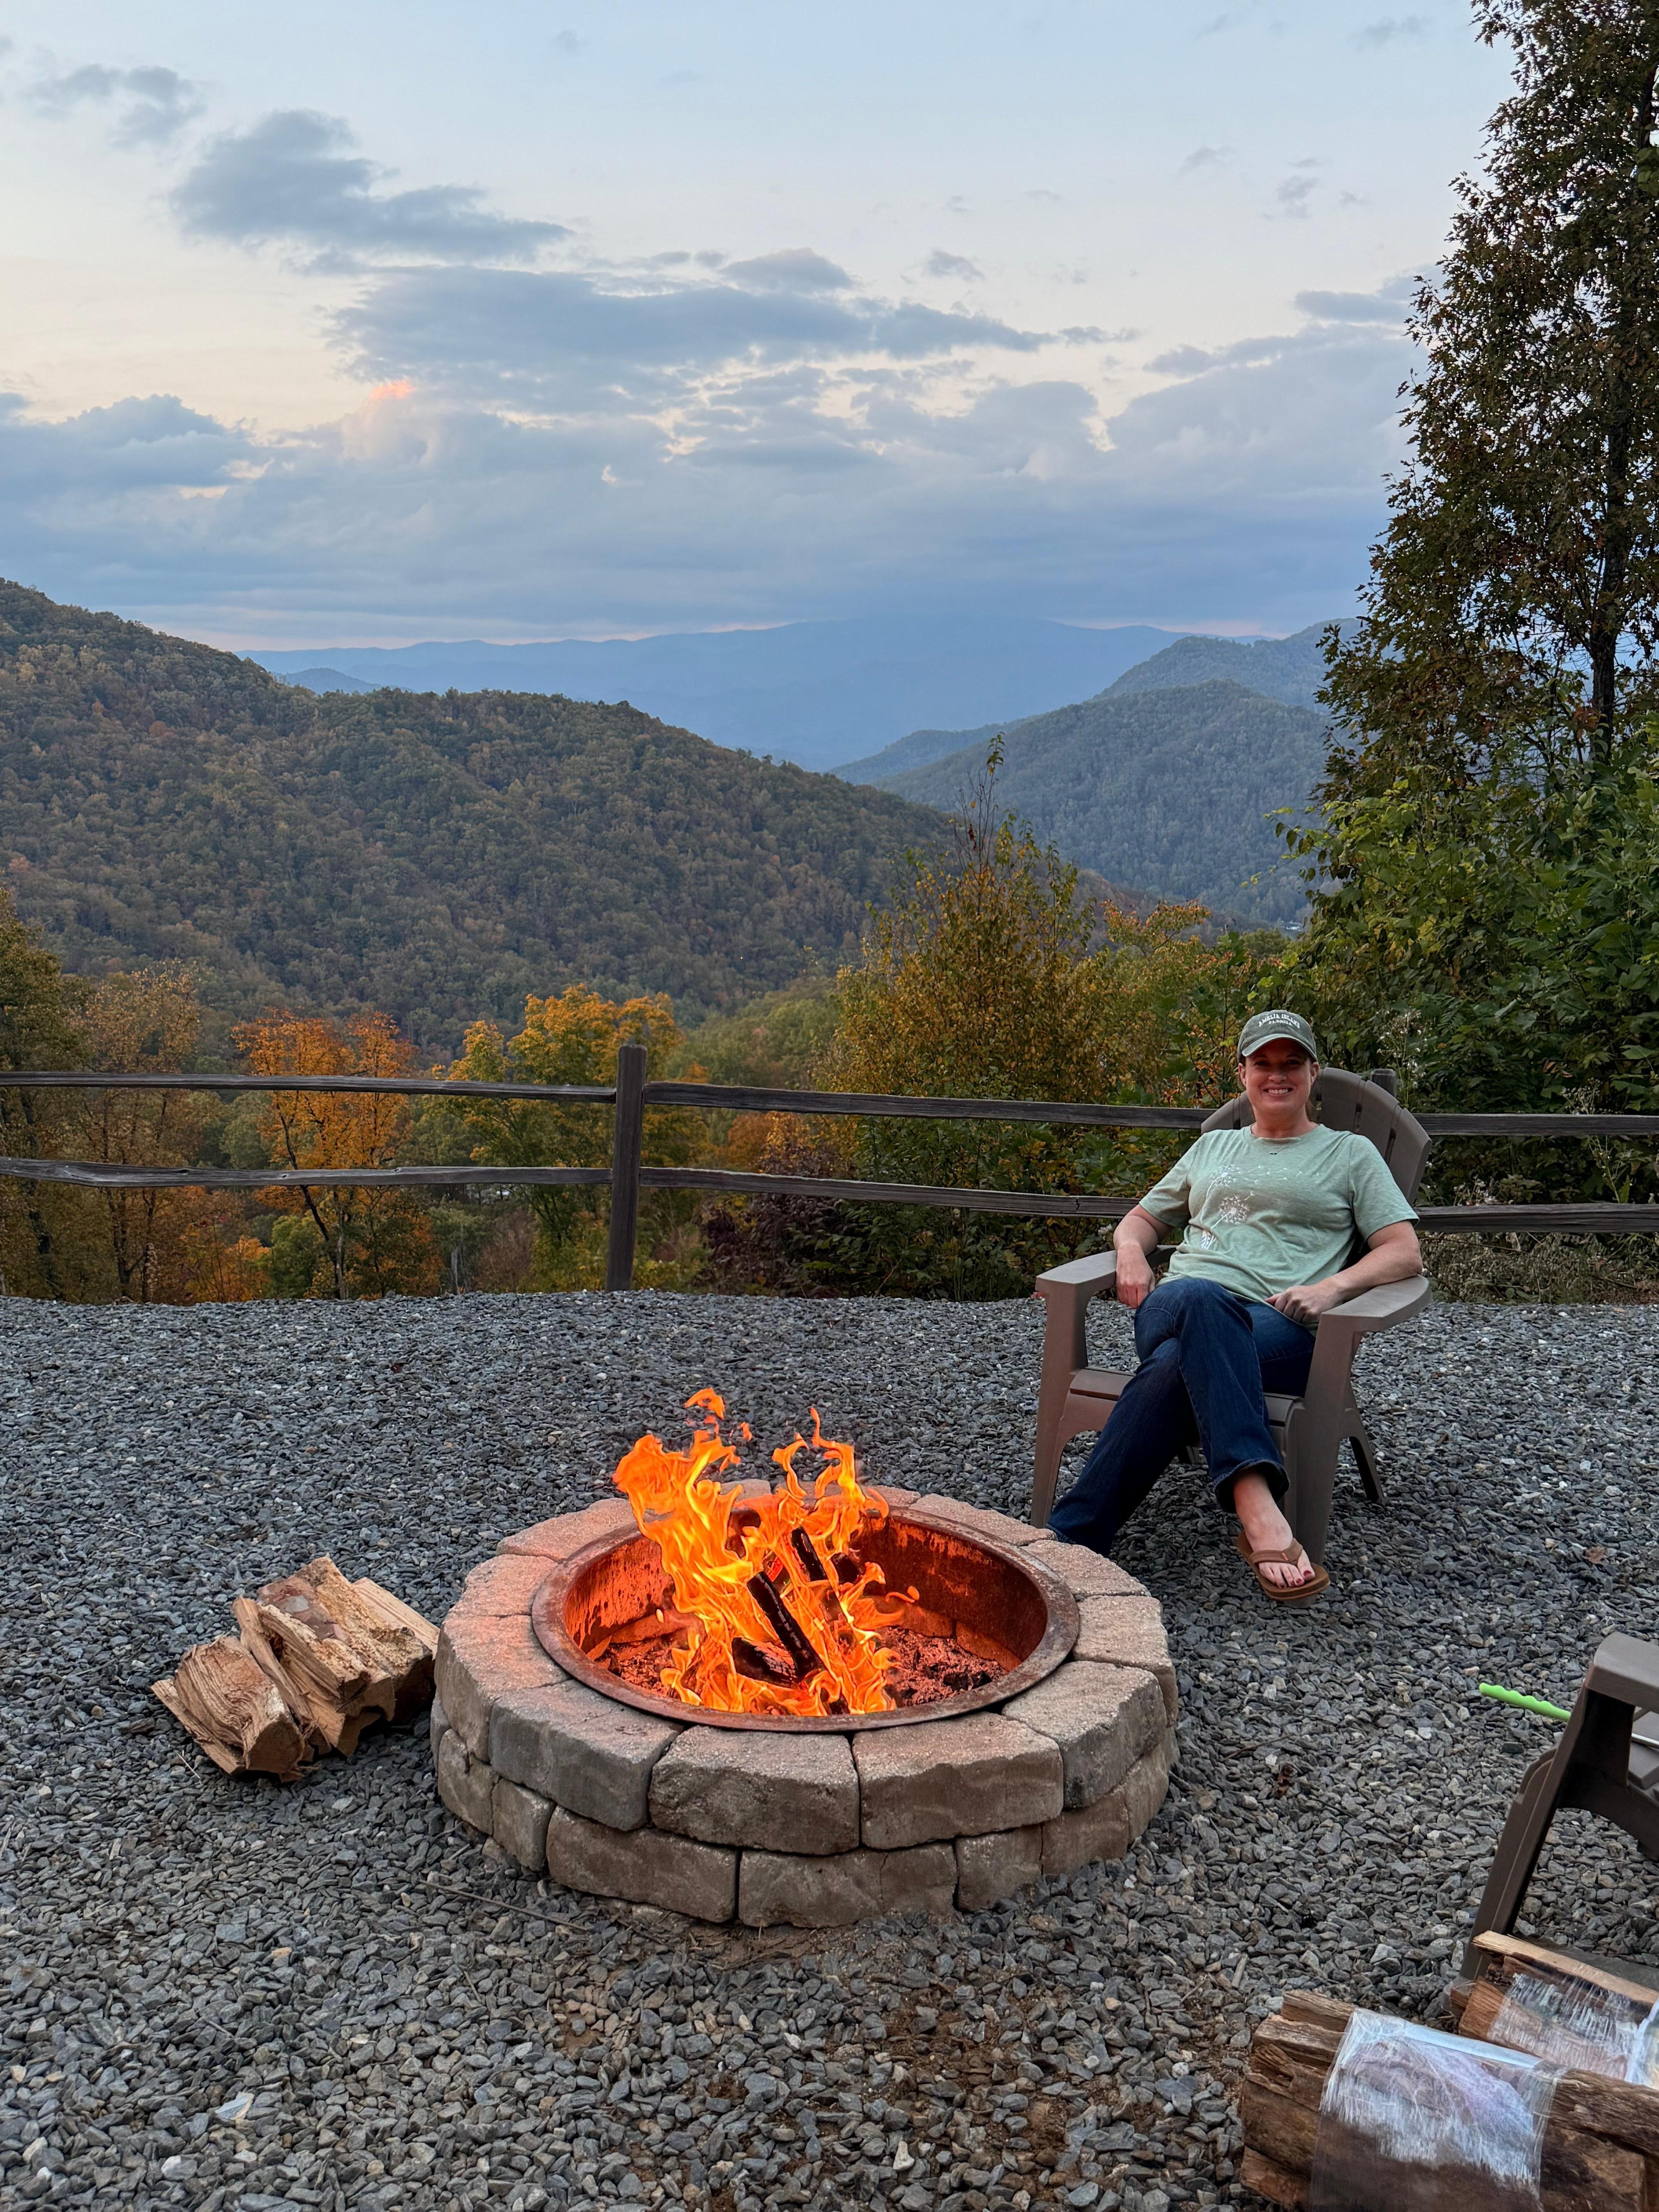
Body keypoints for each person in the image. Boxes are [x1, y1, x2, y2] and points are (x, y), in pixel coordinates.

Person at [1048, 1010, 1423, 1600]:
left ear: (1314, 1072)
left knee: (1174, 1366)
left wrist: (1331, 1289)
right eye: (1263, 1063)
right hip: (1177, 1304)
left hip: (1280, 1329)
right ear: (1243, 1074)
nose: (1278, 1075)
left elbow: (1404, 1252)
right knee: (1201, 1297)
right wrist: (1131, 1254)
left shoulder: (1349, 1154)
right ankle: (1255, 1502)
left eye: (1292, 1063)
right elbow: (1141, 1220)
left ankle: (1069, 1541)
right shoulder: (1213, 1146)